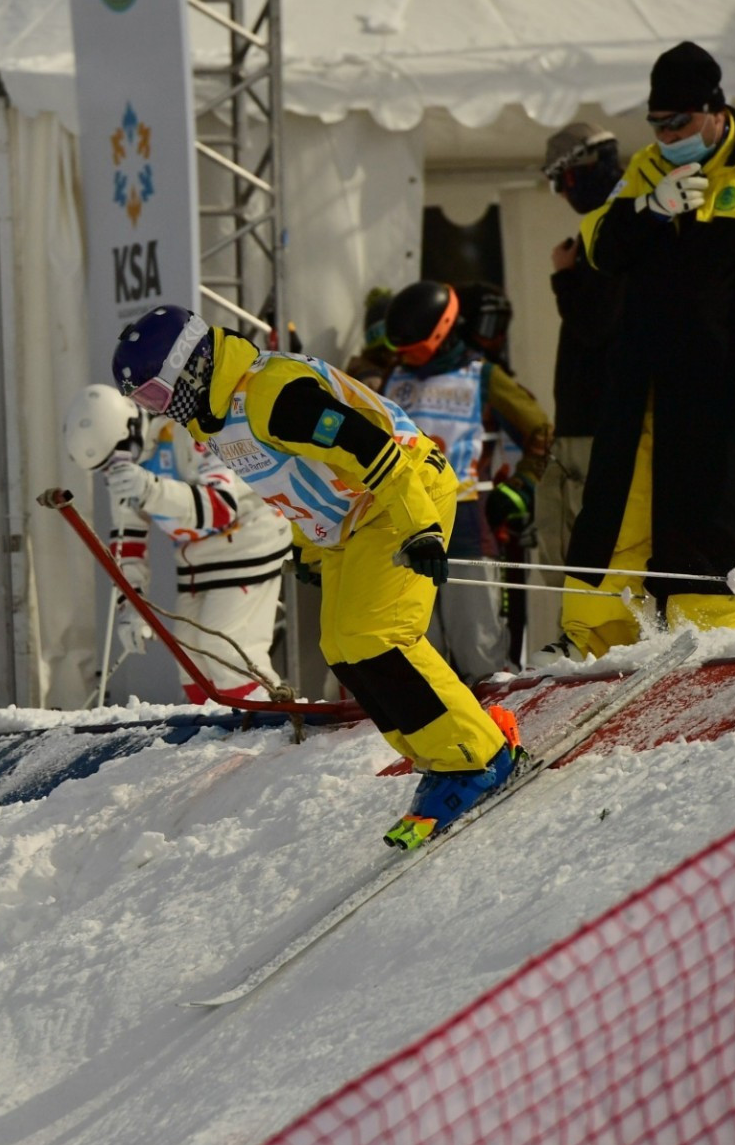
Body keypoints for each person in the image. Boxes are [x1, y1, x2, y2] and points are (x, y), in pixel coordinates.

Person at [112, 305, 524, 850]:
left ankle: (480, 757)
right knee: (343, 647)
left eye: (155, 396)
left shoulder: (272, 395)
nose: (158, 412)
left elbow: (373, 447)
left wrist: (419, 527)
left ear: (189, 369)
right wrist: (307, 545)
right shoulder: (215, 419)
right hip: (351, 522)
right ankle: (442, 755)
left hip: (399, 497)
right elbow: (288, 477)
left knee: (378, 636)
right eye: (144, 403)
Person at [555, 41, 735, 658]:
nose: (667, 137)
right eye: (656, 126)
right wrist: (648, 208)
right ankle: (602, 646)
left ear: (715, 111)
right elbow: (601, 247)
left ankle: (722, 645)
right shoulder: (646, 167)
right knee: (616, 514)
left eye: (679, 123)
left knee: (716, 523)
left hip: (730, 385)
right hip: (645, 383)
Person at [61, 383, 293, 701]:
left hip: (249, 540)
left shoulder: (187, 432)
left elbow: (222, 508)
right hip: (197, 559)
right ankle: (215, 730)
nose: (116, 468)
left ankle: (269, 721)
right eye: (105, 467)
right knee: (189, 655)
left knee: (225, 649)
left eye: (118, 456)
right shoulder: (126, 471)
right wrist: (132, 608)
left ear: (133, 425)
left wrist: (151, 490)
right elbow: (127, 543)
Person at [380, 281, 552, 682]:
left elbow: (540, 431)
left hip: (464, 520)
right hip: (401, 522)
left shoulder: (483, 375)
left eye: (413, 347)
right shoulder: (394, 378)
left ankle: (497, 726)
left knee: (478, 646)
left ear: (439, 332)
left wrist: (520, 487)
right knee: (419, 646)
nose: (405, 356)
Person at [537, 122, 626, 601]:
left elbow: (596, 324)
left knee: (585, 557)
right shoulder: (614, 221)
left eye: (559, 181)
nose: (560, 194)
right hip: (591, 419)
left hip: (597, 422)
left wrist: (564, 278)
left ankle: (588, 643)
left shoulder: (614, 227)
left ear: (577, 173)